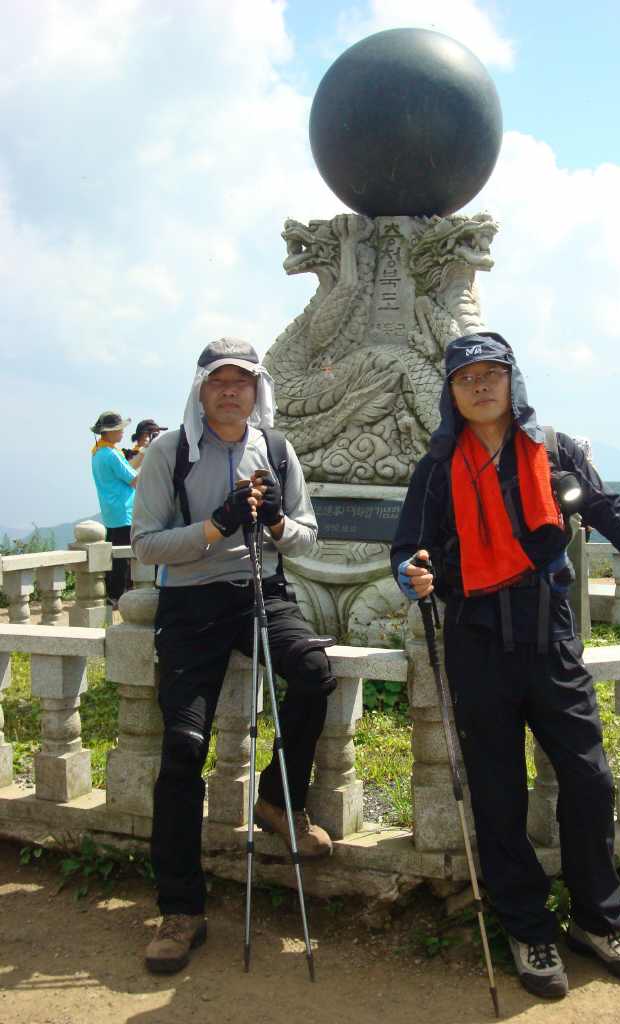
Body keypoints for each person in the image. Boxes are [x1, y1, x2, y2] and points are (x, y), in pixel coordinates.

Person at [390, 332, 620, 1001]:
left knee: (589, 779)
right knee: (498, 795)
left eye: (491, 373)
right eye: (465, 377)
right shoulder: (436, 466)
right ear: (452, 391)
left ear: (512, 380)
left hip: (549, 638)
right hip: (474, 640)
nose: (480, 386)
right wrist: (411, 573)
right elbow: (407, 547)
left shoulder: (555, 451)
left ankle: (597, 920)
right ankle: (527, 926)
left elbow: (609, 510)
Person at [131, 337, 336, 976]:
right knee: (185, 745)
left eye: (242, 381)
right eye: (219, 380)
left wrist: (275, 522)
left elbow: (305, 535)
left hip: (261, 591)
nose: (230, 391)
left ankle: (276, 798)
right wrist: (215, 527)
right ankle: (180, 909)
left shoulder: (274, 450)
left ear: (256, 390)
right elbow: (145, 545)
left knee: (313, 672)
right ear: (200, 388)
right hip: (191, 603)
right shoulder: (170, 452)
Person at [90, 410, 146, 604]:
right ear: (109, 432)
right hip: (124, 511)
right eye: (119, 430)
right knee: (124, 556)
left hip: (110, 511)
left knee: (113, 554)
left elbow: (127, 471)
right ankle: (118, 595)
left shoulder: (98, 453)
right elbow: (134, 479)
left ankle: (112, 593)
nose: (123, 433)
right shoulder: (113, 455)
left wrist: (143, 453)